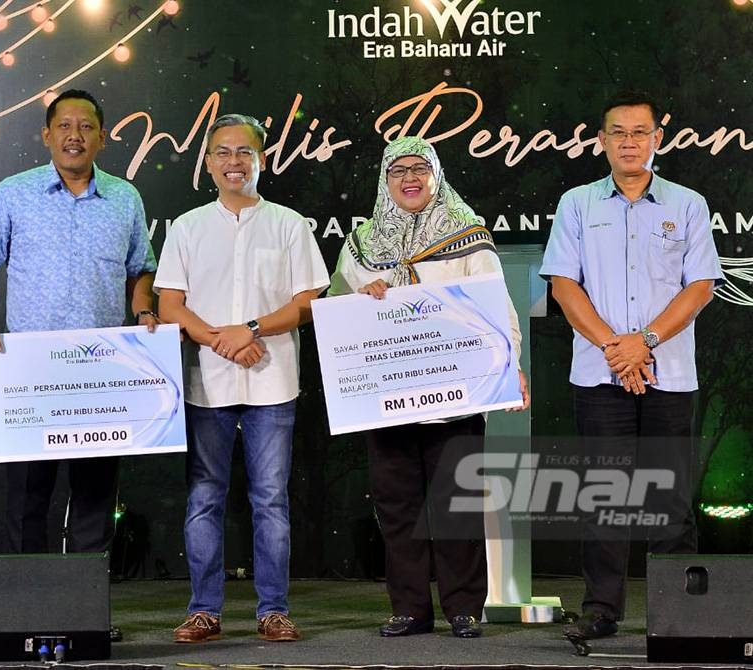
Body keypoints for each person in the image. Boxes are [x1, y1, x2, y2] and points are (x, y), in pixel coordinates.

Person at [329, 136, 529, 639]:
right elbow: (334, 314)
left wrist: (511, 365)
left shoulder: (467, 235)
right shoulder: (360, 247)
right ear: (385, 180)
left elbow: (496, 307)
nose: (410, 178)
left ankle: (464, 607)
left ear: (436, 175)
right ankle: (411, 609)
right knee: (397, 505)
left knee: (457, 502)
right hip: (386, 398)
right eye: (399, 171)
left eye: (420, 168)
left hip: (457, 397)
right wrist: (362, 293)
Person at [541, 90, 722, 641]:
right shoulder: (577, 204)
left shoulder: (687, 204)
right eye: (617, 132)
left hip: (668, 373)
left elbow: (702, 286)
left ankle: (680, 618)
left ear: (656, 140)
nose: (628, 141)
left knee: (669, 498)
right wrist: (615, 350)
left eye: (639, 132)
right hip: (599, 375)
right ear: (600, 141)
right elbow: (564, 284)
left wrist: (643, 342)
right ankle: (601, 611)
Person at [155, 114, 329, 643]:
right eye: (224, 152)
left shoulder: (290, 224)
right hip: (207, 382)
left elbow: (307, 302)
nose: (235, 162)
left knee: (270, 499)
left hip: (273, 381)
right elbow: (169, 305)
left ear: (262, 159)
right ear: (208, 162)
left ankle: (272, 609)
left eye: (245, 152)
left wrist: (249, 328)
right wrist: (219, 339)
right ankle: (203, 609)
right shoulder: (186, 227)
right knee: (204, 496)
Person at [0, 90, 157, 567]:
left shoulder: (125, 198)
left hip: (101, 366)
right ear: (47, 135)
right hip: (31, 367)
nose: (75, 136)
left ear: (102, 138)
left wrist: (143, 312)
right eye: (65, 126)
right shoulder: (13, 192)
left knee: (95, 493)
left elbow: (140, 268)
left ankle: (86, 602)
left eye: (87, 127)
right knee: (29, 493)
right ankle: (30, 601)